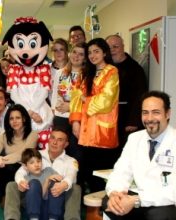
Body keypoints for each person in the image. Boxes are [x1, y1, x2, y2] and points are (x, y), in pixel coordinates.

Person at [104, 91, 176, 220]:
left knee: (158, 215)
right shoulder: (134, 138)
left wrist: (137, 200)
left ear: (168, 114)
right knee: (110, 204)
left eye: (156, 112)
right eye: (145, 112)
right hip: (141, 199)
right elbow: (121, 172)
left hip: (171, 204)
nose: (149, 118)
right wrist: (115, 193)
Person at [69, 38, 120, 193]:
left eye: (96, 51)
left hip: (102, 133)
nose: (92, 55)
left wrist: (86, 99)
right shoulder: (87, 74)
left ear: (104, 52)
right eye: (90, 52)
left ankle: (102, 211)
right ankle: (90, 210)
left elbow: (106, 101)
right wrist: (76, 121)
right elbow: (75, 98)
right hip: (85, 131)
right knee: (85, 171)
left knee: (101, 175)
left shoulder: (112, 72)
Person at [5, 128, 82, 220]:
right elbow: (21, 171)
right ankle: (12, 218)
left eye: (60, 140)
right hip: (33, 199)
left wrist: (64, 185)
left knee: (76, 188)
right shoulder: (36, 154)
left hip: (56, 201)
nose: (54, 142)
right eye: (52, 138)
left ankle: (72, 218)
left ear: (66, 144)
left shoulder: (71, 161)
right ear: (48, 139)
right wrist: (21, 181)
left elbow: (71, 176)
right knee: (12, 185)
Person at [0, 104, 39, 199]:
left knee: (7, 166)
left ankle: (8, 196)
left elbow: (22, 154)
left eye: (18, 118)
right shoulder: (4, 135)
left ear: (24, 119)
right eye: (11, 118)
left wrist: (0, 159)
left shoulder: (33, 134)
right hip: (8, 168)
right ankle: (3, 196)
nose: (14, 121)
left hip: (24, 169)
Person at [51, 42, 87, 182]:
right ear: (69, 53)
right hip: (60, 119)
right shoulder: (61, 72)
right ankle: (58, 182)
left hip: (77, 119)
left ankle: (77, 184)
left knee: (76, 153)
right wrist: (55, 111)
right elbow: (54, 95)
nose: (76, 56)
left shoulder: (87, 76)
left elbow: (88, 101)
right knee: (60, 152)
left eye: (81, 54)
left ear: (85, 58)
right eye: (74, 52)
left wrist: (70, 107)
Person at [106, 34, 148, 150]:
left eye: (116, 46)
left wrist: (133, 121)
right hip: (108, 119)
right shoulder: (105, 67)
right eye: (109, 47)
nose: (112, 50)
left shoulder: (135, 69)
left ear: (123, 47)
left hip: (126, 120)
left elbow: (140, 96)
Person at [19, 148, 64, 220]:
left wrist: (57, 180)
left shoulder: (49, 170)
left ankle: (53, 218)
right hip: (36, 210)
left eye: (38, 161)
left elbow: (61, 181)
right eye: (32, 162)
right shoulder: (26, 179)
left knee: (56, 183)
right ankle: (34, 218)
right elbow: (40, 197)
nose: (36, 165)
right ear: (25, 166)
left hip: (51, 209)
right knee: (34, 183)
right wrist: (47, 180)